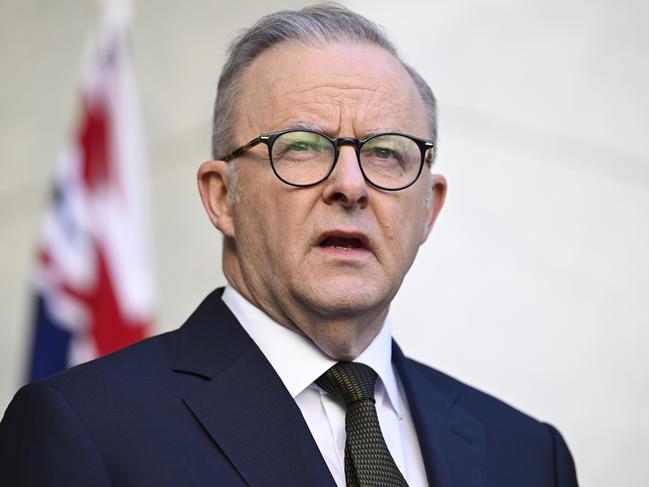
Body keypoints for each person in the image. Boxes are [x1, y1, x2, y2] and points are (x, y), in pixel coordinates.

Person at [0, 5, 578, 486]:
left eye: (386, 152)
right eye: (301, 145)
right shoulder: (87, 429)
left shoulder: (528, 456)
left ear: (430, 207)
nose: (350, 185)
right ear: (222, 197)